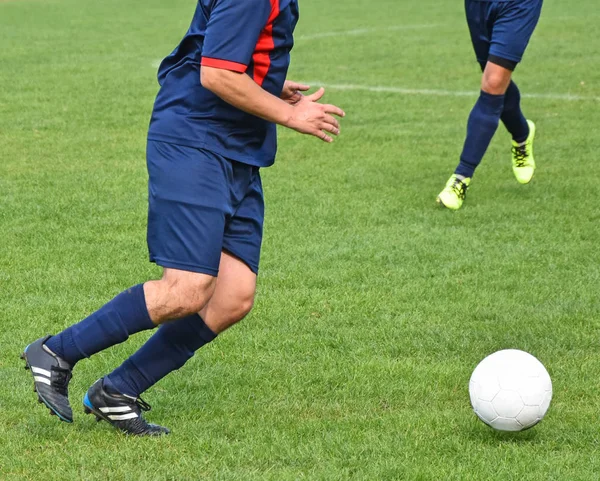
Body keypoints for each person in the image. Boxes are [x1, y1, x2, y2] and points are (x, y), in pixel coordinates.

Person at [21, 0, 345, 436]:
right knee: (187, 289)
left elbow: (217, 48)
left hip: (236, 149)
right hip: (196, 142)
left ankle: (118, 391)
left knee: (232, 296)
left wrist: (269, 83)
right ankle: (56, 352)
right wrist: (289, 114)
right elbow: (215, 72)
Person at [437, 0, 543, 210]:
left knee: (493, 83)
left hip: (518, 5)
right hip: (479, 5)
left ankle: (461, 178)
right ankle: (522, 135)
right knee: (492, 77)